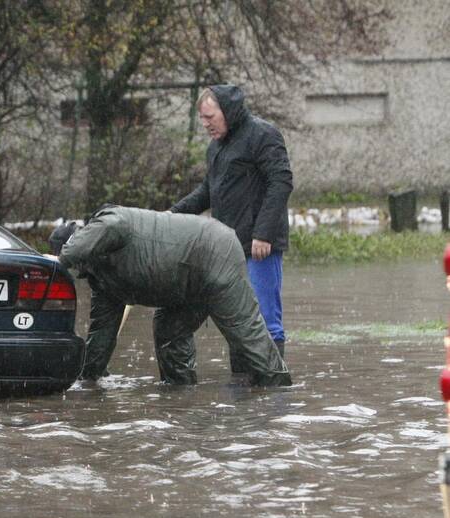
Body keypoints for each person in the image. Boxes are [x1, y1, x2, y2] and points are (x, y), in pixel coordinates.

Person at [58, 205, 291, 387]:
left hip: (214, 249)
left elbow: (105, 229)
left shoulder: (110, 223)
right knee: (169, 330)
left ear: (83, 241)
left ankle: (280, 390)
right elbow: (101, 335)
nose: (79, 270)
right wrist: (86, 379)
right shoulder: (102, 279)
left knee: (245, 331)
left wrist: (58, 262)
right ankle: (181, 393)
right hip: (181, 283)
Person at [171, 84, 293, 365]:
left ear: (228, 112)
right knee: (238, 321)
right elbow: (206, 192)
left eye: (209, 117)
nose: (205, 124)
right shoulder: (216, 148)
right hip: (227, 248)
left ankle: (271, 390)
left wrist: (263, 234)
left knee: (264, 320)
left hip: (260, 247)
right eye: (201, 118)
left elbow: (281, 183)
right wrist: (171, 214)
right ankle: (243, 390)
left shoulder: (263, 135)